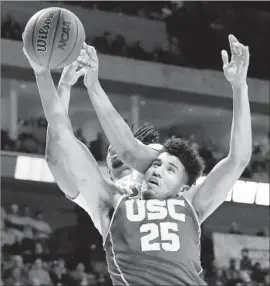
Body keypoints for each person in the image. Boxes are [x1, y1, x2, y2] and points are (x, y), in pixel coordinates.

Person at [23, 33, 251, 285]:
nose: (157, 168)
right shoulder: (109, 200)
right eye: (156, 163)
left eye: (168, 167)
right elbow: (63, 138)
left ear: (183, 185)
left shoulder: (189, 202)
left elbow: (237, 159)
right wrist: (42, 73)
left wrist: (240, 87)